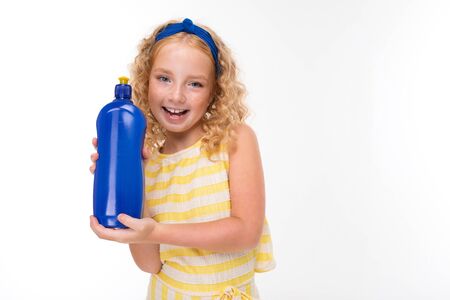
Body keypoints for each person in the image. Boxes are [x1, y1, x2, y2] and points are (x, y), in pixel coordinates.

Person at [89, 18, 275, 299]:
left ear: (215, 90)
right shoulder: (147, 162)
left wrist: (157, 232)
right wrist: (129, 184)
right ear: (145, 80)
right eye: (164, 78)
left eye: (195, 84)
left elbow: (245, 233)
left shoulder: (235, 140)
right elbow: (150, 264)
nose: (176, 96)